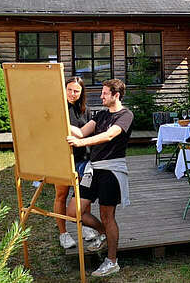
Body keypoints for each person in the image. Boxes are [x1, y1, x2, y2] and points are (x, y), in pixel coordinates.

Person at [66, 79, 133, 278]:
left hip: (111, 171)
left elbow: (108, 136)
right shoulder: (101, 114)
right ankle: (106, 233)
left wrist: (81, 143)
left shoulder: (125, 115)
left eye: (105, 93)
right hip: (93, 170)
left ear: (116, 95)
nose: (101, 96)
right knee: (73, 211)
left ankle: (112, 261)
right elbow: (79, 132)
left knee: (107, 216)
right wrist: (59, 117)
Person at [56, 77, 99, 249]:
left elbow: (87, 134)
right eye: (70, 89)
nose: (72, 94)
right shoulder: (58, 109)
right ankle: (63, 234)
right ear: (65, 89)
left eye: (76, 91)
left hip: (82, 159)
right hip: (61, 159)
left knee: (83, 197)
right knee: (61, 195)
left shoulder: (85, 110)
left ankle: (85, 227)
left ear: (81, 93)